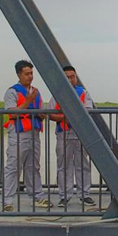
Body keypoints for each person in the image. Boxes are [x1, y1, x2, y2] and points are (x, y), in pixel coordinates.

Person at [3, 60, 52, 212]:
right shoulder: (12, 92)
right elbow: (12, 112)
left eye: (31, 73)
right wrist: (28, 101)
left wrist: (42, 114)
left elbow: (40, 111)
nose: (30, 76)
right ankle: (7, 201)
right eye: (27, 74)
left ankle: (38, 196)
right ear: (19, 74)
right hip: (18, 133)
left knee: (33, 167)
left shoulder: (36, 92)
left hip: (34, 134)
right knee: (13, 166)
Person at [47, 65, 97, 209]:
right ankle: (64, 196)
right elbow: (51, 114)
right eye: (67, 77)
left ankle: (84, 194)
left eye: (72, 76)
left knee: (83, 165)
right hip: (63, 134)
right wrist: (69, 117)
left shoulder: (84, 94)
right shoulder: (56, 94)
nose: (70, 79)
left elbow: (87, 112)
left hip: (81, 134)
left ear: (76, 77)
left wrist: (66, 115)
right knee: (64, 165)